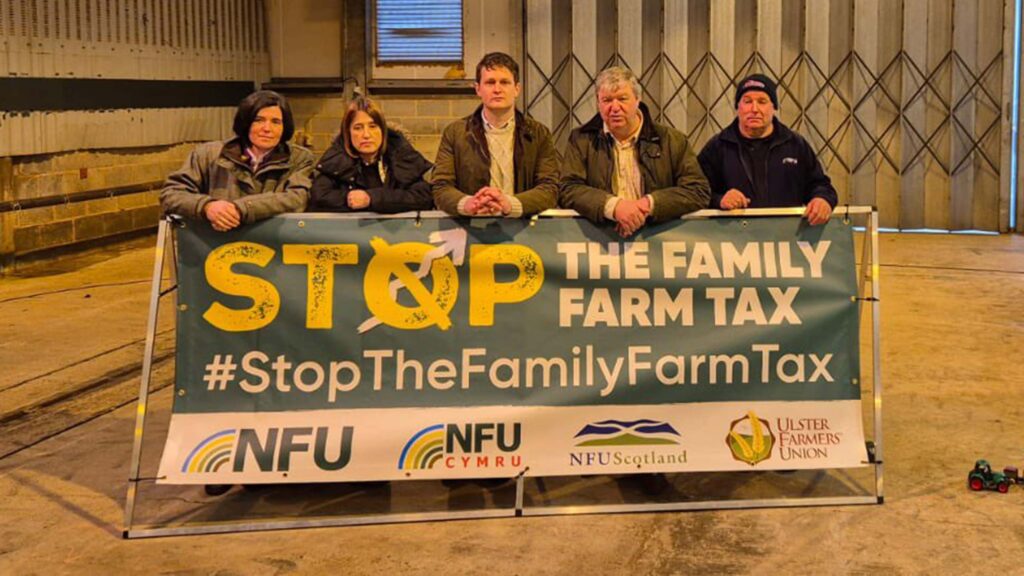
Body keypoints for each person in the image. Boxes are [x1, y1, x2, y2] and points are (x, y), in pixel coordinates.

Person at [559, 66, 710, 237]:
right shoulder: (580, 139)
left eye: (622, 99)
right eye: (607, 100)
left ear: (638, 99)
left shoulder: (672, 140)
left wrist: (647, 205)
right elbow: (568, 188)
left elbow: (698, 190)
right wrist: (614, 207)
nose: (615, 108)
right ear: (598, 102)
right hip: (599, 244)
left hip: (660, 245)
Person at [160, 90, 313, 230]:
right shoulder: (208, 154)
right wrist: (207, 206)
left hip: (272, 246)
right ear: (246, 123)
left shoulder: (299, 159)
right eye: (259, 120)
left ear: (285, 127)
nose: (267, 128)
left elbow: (297, 198)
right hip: (214, 246)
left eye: (276, 122)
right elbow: (172, 194)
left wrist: (242, 209)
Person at [697, 73, 838, 225]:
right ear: (738, 107)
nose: (754, 109)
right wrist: (720, 200)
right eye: (747, 101)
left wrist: (822, 200)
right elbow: (695, 193)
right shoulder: (717, 147)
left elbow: (820, 185)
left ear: (774, 107)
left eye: (762, 101)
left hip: (786, 240)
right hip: (734, 242)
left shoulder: (795, 145)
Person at [432, 52, 559, 218]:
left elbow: (550, 188)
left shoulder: (539, 134)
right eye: (490, 82)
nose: (497, 89)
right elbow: (440, 187)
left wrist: (509, 204)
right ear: (478, 89)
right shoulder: (455, 133)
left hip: (525, 231)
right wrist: (468, 203)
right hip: (470, 230)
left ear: (517, 89)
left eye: (505, 82)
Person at [309, 96, 433, 213]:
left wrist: (371, 198)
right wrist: (349, 199)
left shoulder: (401, 156)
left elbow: (423, 197)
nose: (366, 135)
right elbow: (319, 197)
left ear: (383, 130)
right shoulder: (336, 161)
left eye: (373, 126)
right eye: (358, 128)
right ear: (348, 133)